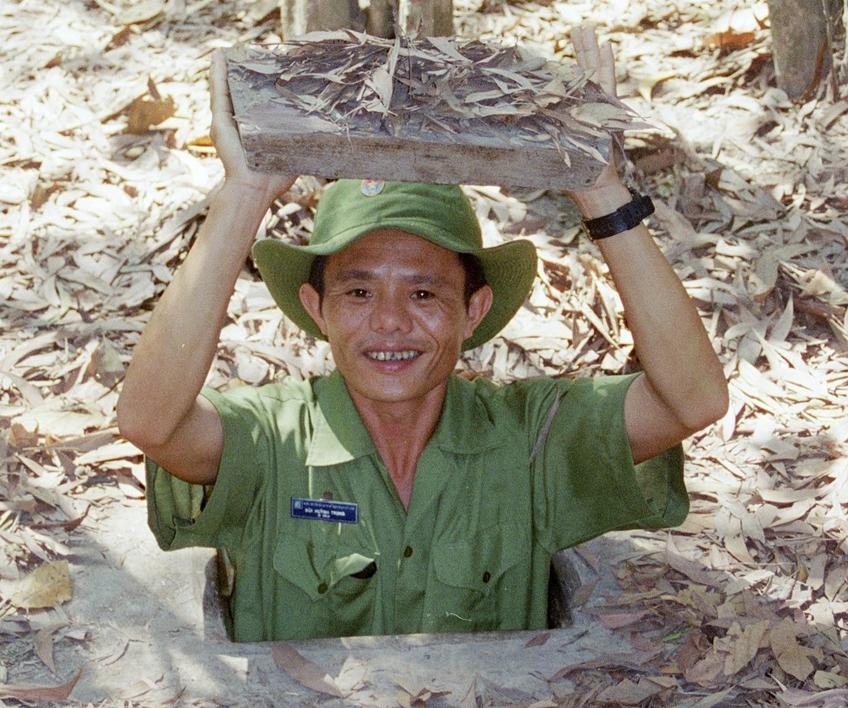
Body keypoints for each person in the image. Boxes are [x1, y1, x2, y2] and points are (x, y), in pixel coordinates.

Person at [116, 27, 729, 642]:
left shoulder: (530, 442)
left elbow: (692, 400)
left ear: (473, 309)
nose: (390, 321)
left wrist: (601, 190)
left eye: (424, 292)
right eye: (358, 292)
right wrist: (245, 193)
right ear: (316, 306)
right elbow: (151, 422)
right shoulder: (272, 442)